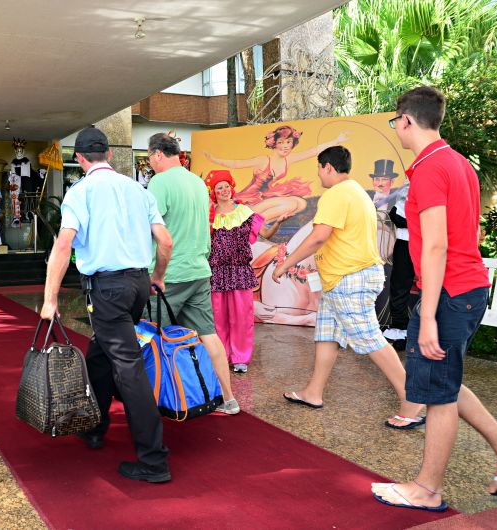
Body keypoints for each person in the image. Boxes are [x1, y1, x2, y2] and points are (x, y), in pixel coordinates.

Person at [372, 86, 497, 511]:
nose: (398, 129)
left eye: (396, 122)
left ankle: (427, 489)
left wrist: (426, 319)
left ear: (406, 120)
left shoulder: (428, 168)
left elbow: (436, 246)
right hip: (468, 287)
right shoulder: (459, 163)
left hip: (449, 292)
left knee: (438, 394)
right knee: (445, 381)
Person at [40, 127, 174, 484]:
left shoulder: (79, 192)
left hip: (107, 289)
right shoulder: (138, 189)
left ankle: (153, 460)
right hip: (137, 283)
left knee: (128, 368)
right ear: (109, 155)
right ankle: (96, 426)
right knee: (101, 353)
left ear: (79, 158)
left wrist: (50, 298)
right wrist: (157, 277)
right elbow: (165, 241)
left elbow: (63, 246)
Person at [274, 146, 425, 430]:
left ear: (328, 167)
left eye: (320, 168)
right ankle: (313, 392)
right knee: (327, 335)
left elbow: (319, 236)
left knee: (369, 339)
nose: (319, 174)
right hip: (342, 277)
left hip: (349, 277)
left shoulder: (336, 194)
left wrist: (284, 264)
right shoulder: (356, 190)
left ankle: (412, 400)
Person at [146, 133, 240, 415]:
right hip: (199, 270)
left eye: (149, 157)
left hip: (169, 273)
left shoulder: (159, 182)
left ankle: (150, 399)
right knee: (209, 335)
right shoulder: (197, 182)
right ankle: (229, 399)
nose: (149, 163)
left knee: (150, 334)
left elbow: (153, 228)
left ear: (158, 154)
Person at [204, 169, 286, 373]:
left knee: (242, 317)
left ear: (232, 188)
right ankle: (221, 355)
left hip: (240, 271)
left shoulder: (245, 212)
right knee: (218, 317)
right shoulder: (208, 215)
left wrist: (277, 223)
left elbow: (265, 233)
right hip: (217, 273)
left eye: (226, 186)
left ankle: (240, 357)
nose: (224, 190)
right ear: (214, 192)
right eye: (219, 187)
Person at [205, 126, 348, 223]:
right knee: (293, 203)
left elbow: (313, 150)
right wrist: (214, 159)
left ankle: (255, 223)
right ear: (274, 144)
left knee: (300, 204)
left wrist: (336, 141)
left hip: (265, 197)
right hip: (249, 200)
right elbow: (236, 164)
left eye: (289, 142)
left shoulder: (288, 159)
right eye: (281, 142)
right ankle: (249, 224)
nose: (285, 146)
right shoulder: (263, 160)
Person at [384, 182, 413, 351]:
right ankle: (400, 329)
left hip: (430, 242)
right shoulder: (411, 183)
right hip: (405, 242)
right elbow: (396, 213)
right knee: (399, 286)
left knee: (432, 286)